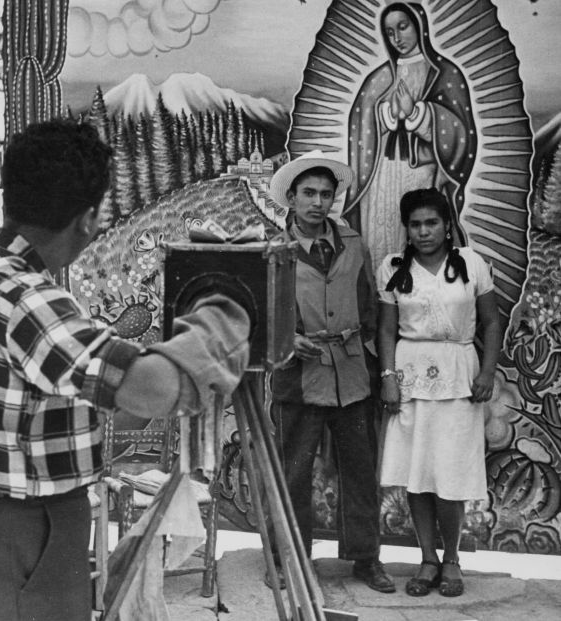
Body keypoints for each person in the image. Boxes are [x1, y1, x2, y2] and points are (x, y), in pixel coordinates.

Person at [0, 119, 250, 621]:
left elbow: (30, 398)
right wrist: (224, 315)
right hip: (21, 536)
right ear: (87, 219)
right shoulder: (31, 301)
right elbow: (152, 391)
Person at [266, 150, 395, 593]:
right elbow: (254, 313)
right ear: (291, 198)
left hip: (353, 376)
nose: (318, 202)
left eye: (326, 193)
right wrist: (283, 340)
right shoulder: (271, 249)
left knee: (360, 470)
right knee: (294, 473)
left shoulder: (354, 243)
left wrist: (370, 357)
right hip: (296, 377)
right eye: (309, 193)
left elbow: (369, 304)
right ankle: (291, 560)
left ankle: (365, 558)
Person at [376, 187, 501, 597]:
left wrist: (486, 371)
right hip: (411, 380)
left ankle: (451, 560)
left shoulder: (471, 264)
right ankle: (427, 559)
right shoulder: (393, 268)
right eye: (415, 224)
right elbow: (385, 329)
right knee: (418, 476)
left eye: (432, 222)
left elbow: (492, 322)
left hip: (459, 377)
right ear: (407, 229)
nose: (424, 231)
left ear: (448, 224)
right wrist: (389, 377)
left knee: (450, 474)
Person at [345, 1, 477, 271]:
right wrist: (386, 115)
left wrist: (418, 113)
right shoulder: (379, 77)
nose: (397, 38)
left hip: (421, 175)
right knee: (381, 245)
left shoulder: (445, 74)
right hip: (381, 177)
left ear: (419, 26)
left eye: (403, 27)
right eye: (390, 31)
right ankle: (382, 304)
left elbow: (460, 131)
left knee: (417, 238)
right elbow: (361, 123)